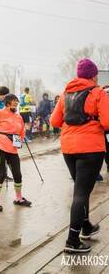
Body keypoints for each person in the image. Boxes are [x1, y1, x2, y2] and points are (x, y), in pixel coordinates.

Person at [51, 58, 109, 253]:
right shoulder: (98, 92)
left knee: (80, 189)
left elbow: (54, 121)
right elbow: (108, 122)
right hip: (91, 148)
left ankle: (85, 226)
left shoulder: (65, 93)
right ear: (93, 75)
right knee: (81, 193)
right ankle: (72, 240)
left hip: (68, 148)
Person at [0, 94, 31, 212]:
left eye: (17, 101)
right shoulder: (0, 112)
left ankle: (18, 198)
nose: (16, 103)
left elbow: (21, 132)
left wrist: (19, 142)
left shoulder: (18, 117)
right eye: (14, 101)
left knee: (17, 174)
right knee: (2, 174)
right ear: (8, 102)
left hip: (12, 148)